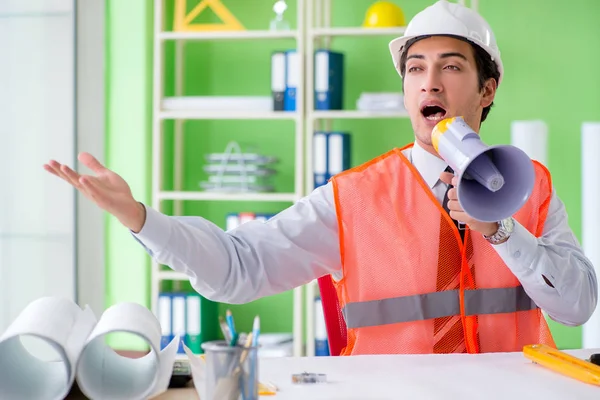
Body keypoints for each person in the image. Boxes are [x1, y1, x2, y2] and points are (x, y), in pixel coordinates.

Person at [44, 0, 596, 355]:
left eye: (451, 66)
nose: (430, 83)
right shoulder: (356, 199)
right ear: (405, 89)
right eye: (415, 68)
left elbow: (577, 308)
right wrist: (142, 218)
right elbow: (240, 268)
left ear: (487, 89)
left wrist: (503, 231)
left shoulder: (530, 188)